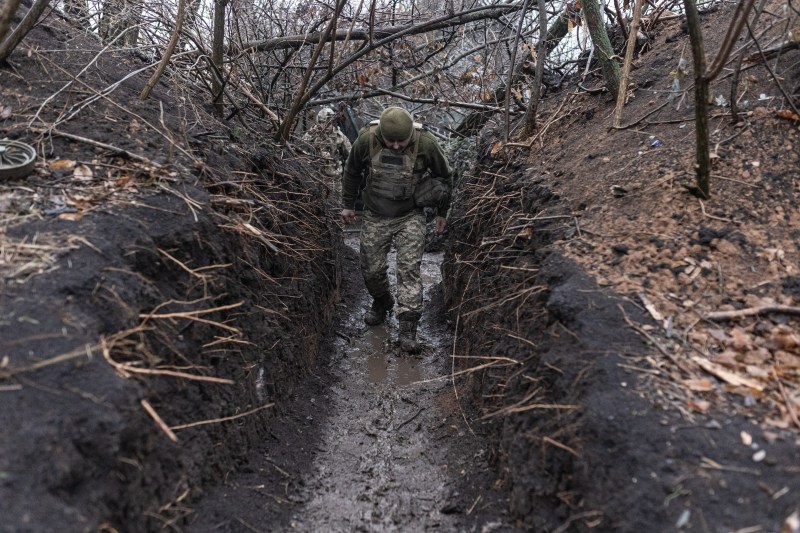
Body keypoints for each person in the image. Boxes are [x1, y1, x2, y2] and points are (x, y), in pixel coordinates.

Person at [340, 107, 452, 353]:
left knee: (409, 269)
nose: (397, 146)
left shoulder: (426, 143)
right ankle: (382, 301)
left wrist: (442, 212)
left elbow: (445, 177)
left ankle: (408, 326)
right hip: (375, 214)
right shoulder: (367, 139)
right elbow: (351, 171)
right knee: (371, 269)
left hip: (410, 215)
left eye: (402, 141)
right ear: (382, 136)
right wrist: (348, 205)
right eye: (391, 141)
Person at [303, 107, 352, 202]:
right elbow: (301, 147)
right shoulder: (312, 133)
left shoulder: (339, 136)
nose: (324, 125)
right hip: (315, 177)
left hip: (334, 178)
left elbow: (350, 154)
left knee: (335, 205)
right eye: (321, 122)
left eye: (328, 121)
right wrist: (312, 134)